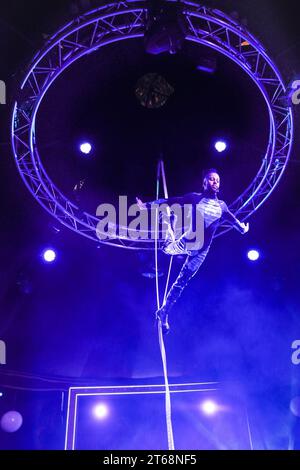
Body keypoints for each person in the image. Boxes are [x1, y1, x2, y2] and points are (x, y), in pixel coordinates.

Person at [136, 169, 249, 334]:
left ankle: (164, 313)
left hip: (202, 252)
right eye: (211, 179)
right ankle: (170, 221)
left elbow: (234, 221)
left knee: (181, 283)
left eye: (217, 179)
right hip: (187, 243)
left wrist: (243, 229)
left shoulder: (222, 206)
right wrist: (146, 206)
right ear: (204, 183)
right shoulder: (194, 198)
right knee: (167, 247)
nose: (215, 182)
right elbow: (169, 201)